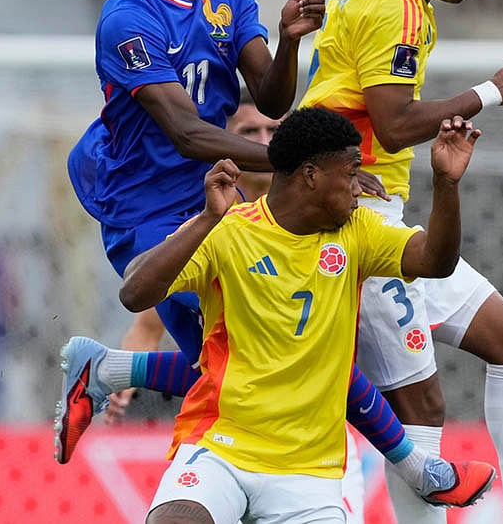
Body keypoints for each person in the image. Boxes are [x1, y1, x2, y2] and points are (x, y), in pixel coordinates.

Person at [54, 0, 493, 509]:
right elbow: (185, 132)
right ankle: (415, 468)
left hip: (221, 188)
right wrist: (290, 162)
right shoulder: (126, 21)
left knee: (284, 340)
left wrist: (287, 43)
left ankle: (109, 372)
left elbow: (272, 96)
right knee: (260, 355)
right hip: (145, 204)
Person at [297, 0, 503, 524]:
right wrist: (492, 91)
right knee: (420, 409)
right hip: (352, 220)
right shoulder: (400, 10)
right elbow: (393, 125)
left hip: (374, 205)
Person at [120, 107, 485, 524]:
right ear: (311, 175)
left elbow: (436, 261)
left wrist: (446, 183)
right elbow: (134, 293)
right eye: (350, 174)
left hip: (308, 473)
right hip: (221, 445)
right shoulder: (228, 230)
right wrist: (205, 220)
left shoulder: (358, 232)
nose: (357, 187)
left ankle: (107, 368)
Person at [104, 95, 367, 522]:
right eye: (250, 133)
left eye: (274, 133)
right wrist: (131, 363)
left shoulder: (341, 218)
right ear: (224, 144)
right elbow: (149, 309)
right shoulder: (213, 218)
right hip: (228, 434)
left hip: (308, 447)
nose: (264, 144)